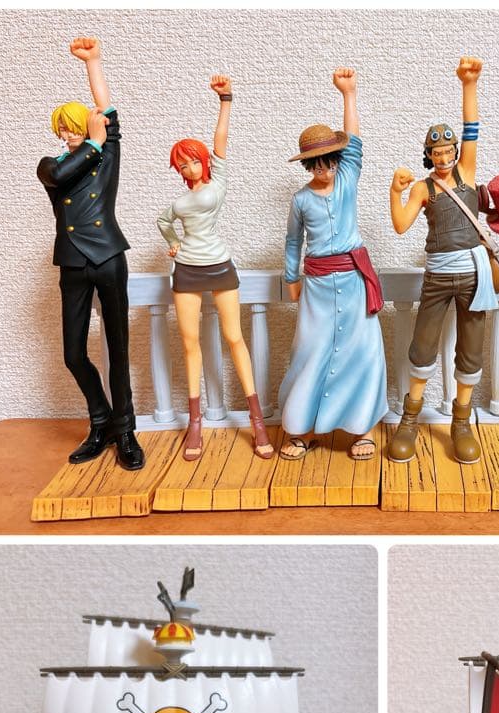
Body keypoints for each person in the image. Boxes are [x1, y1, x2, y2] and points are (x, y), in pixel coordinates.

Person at [37, 37, 144, 469]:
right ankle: (101, 421)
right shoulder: (51, 165)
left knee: (118, 350)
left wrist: (93, 62)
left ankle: (125, 430)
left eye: (74, 126)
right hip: (72, 262)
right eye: (62, 128)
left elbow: (107, 114)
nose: (67, 134)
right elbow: (63, 171)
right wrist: (93, 142)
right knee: (73, 354)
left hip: (108, 256)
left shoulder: (106, 156)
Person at [388, 57, 497, 465]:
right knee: (422, 348)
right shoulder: (423, 188)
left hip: (473, 277)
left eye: (449, 151)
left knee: (471, 351)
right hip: (437, 278)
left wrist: (469, 85)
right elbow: (401, 226)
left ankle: (461, 422)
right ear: (428, 155)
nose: (445, 157)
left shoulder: (467, 172)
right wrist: (394, 191)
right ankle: (410, 420)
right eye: (437, 153)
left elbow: (472, 128)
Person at [158, 76, 273, 461]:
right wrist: (173, 242)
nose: (190, 167)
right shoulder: (179, 201)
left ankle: (257, 419)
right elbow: (163, 221)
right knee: (190, 343)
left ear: (203, 160)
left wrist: (226, 100)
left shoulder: (217, 183)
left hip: (220, 265)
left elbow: (220, 141)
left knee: (234, 338)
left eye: (194, 160)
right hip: (187, 270)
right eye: (183, 163)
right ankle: (196, 422)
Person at [279, 68, 388, 461]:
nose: (324, 171)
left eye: (329, 162)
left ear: (337, 161)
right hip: (318, 286)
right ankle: (302, 428)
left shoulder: (347, 180)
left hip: (355, 282)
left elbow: (355, 142)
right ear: (308, 166)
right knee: (311, 351)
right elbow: (294, 241)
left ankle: (363, 429)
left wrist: (349, 94)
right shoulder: (300, 200)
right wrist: (291, 278)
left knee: (363, 352)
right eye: (316, 165)